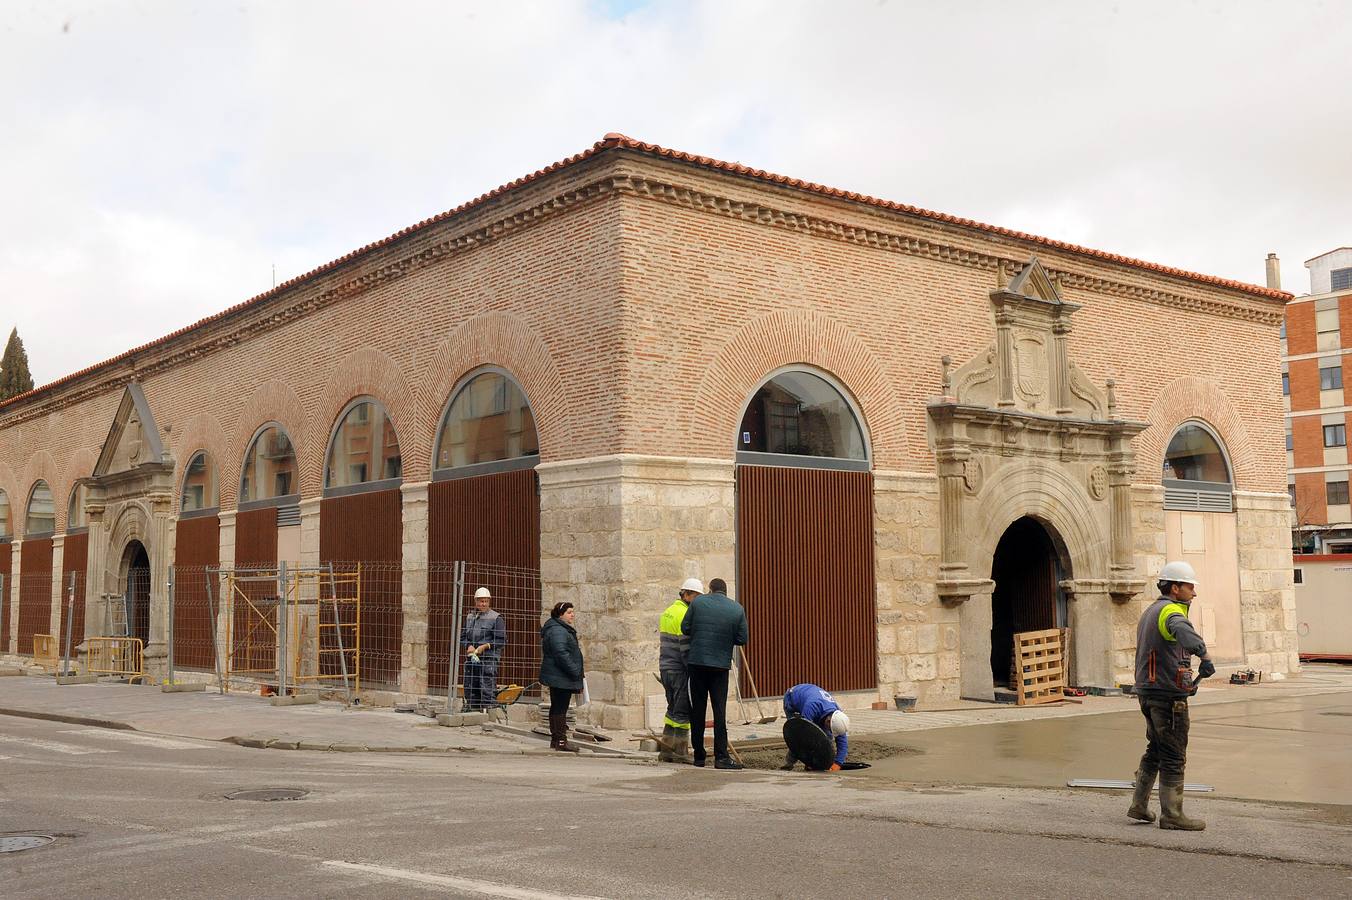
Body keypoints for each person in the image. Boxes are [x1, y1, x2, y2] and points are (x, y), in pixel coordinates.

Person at [1130, 560, 1215, 831]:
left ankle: (1139, 804)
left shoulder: (1151, 611)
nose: (1194, 592)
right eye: (1190, 587)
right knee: (1174, 755)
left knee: (1155, 750)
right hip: (1167, 696)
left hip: (1148, 692)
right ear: (1175, 588)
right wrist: (1205, 656)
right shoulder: (1171, 612)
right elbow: (1184, 632)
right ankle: (1173, 815)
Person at [680, 577, 748, 770]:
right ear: (725, 592)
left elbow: (685, 628)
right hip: (720, 667)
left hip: (697, 664)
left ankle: (699, 757)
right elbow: (742, 638)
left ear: (710, 589)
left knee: (698, 710)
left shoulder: (698, 603)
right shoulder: (737, 609)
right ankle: (721, 757)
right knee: (719, 711)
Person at [657, 577, 702, 762]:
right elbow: (685, 648)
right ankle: (681, 752)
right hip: (679, 669)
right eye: (697, 597)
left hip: (665, 667)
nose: (698, 602)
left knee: (672, 709)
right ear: (687, 595)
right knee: (683, 710)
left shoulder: (668, 611)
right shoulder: (684, 614)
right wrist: (692, 671)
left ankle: (666, 750)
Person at [539, 601, 584, 752]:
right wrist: (575, 670)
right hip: (561, 676)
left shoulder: (558, 628)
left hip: (559, 676)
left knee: (557, 707)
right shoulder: (558, 630)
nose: (572, 615)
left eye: (573, 612)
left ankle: (556, 740)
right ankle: (561, 741)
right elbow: (560, 653)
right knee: (560, 709)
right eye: (569, 612)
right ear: (560, 614)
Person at [780, 683, 850, 772]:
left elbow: (842, 740)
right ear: (828, 721)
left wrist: (838, 763)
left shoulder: (838, 717)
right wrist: (809, 761)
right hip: (792, 700)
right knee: (798, 738)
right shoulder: (812, 706)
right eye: (830, 728)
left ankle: (814, 764)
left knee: (827, 737)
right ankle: (788, 764)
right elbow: (803, 733)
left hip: (813, 700)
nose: (830, 730)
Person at [461, 587, 506, 712]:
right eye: (481, 601)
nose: (484, 604)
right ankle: (473, 713)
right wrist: (468, 646)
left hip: (489, 659)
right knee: (471, 687)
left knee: (487, 688)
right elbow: (463, 636)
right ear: (476, 601)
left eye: (486, 601)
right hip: (472, 659)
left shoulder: (496, 618)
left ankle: (488, 714)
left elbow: (501, 640)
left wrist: (485, 646)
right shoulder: (470, 617)